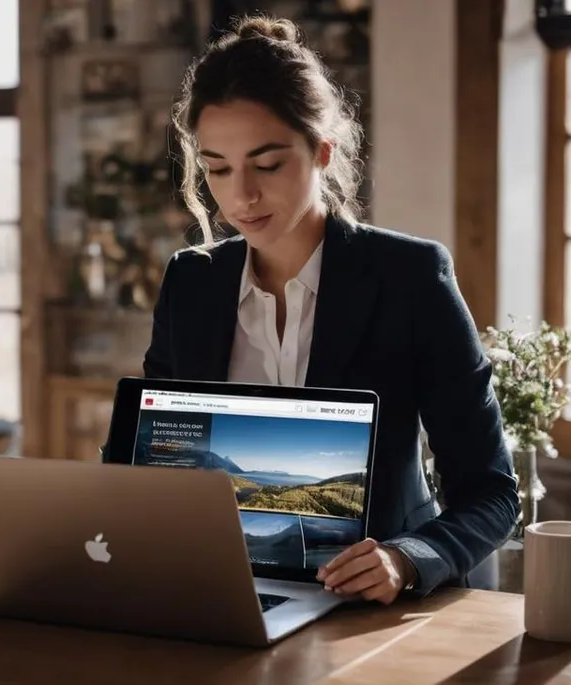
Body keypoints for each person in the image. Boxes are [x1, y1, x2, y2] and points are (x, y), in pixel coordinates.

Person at [143, 15, 519, 604]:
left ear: (322, 151)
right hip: (211, 596)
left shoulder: (410, 278)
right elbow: (157, 464)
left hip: (368, 609)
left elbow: (492, 493)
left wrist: (406, 559)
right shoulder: (191, 282)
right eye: (217, 167)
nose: (241, 196)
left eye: (267, 164)